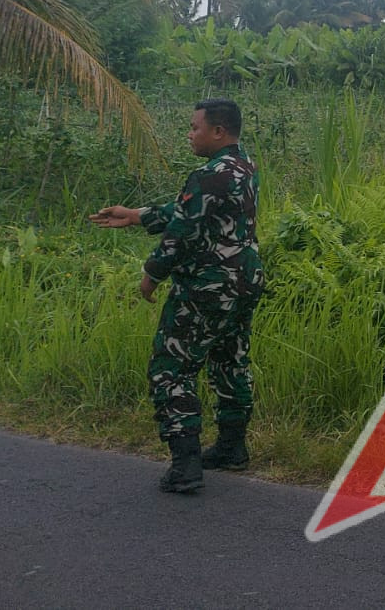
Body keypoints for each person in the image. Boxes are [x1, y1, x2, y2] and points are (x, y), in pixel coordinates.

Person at [89, 97, 264, 493]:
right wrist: (137, 215)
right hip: (244, 280)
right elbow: (191, 210)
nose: (189, 134)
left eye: (194, 127)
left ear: (217, 131)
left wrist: (152, 274)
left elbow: (182, 232)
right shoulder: (244, 167)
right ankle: (232, 448)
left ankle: (185, 465)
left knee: (171, 368)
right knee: (229, 359)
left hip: (207, 286)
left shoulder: (207, 174)